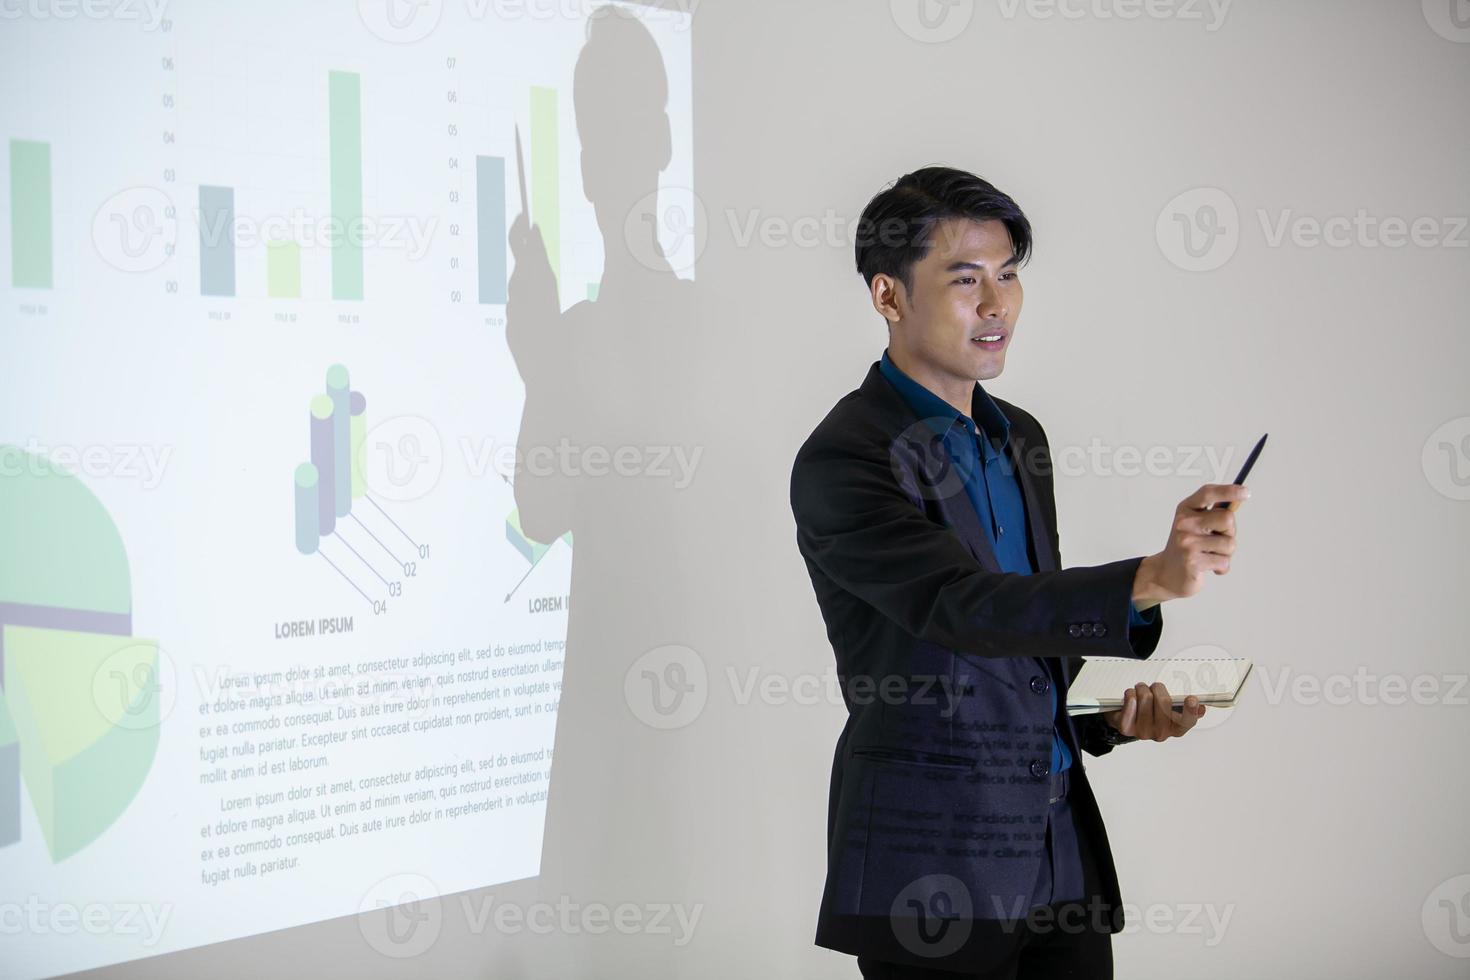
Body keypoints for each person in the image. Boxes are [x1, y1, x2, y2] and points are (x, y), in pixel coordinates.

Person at [788, 166, 1248, 979]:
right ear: (889, 296)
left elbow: (1024, 648)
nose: (997, 305)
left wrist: (1108, 723)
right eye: (966, 279)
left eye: (1008, 275)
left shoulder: (1019, 437)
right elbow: (961, 607)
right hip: (931, 864)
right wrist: (1146, 578)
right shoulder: (845, 457)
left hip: (1056, 848)